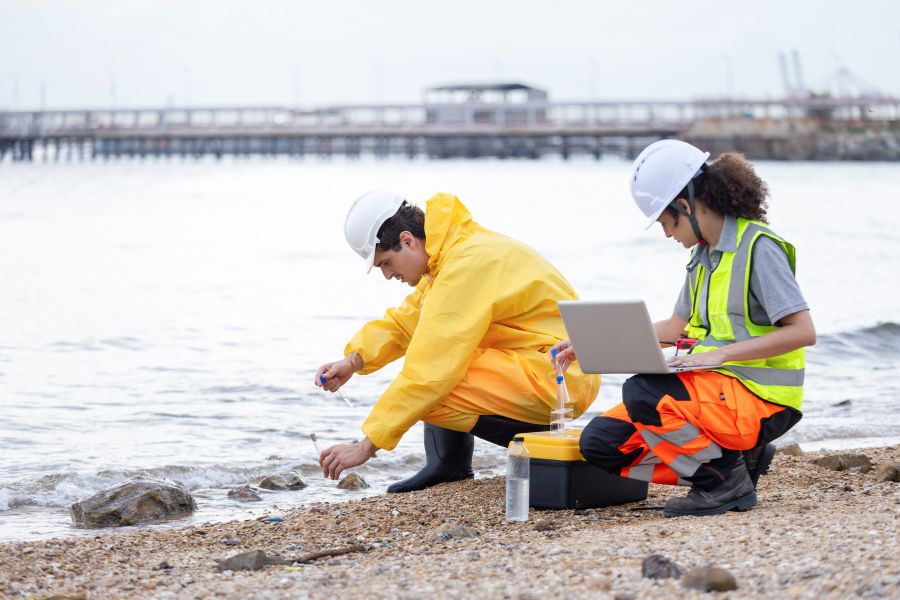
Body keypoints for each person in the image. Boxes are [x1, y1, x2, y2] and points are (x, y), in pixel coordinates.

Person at [553, 140, 816, 517]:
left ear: (686, 206)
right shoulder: (702, 256)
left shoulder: (759, 248)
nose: (666, 234)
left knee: (644, 391)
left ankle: (723, 481)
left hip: (763, 401)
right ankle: (733, 465)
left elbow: (803, 331)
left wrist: (719, 355)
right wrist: (593, 343)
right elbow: (677, 328)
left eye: (666, 222)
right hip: (716, 391)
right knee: (602, 444)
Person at [315, 190, 600, 492]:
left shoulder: (464, 266)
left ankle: (531, 446)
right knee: (436, 356)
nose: (387, 275)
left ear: (407, 240)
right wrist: (354, 360)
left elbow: (430, 371)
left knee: (435, 374)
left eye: (386, 262)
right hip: (550, 366)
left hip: (560, 375)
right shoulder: (451, 255)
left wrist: (365, 446)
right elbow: (406, 321)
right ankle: (450, 464)